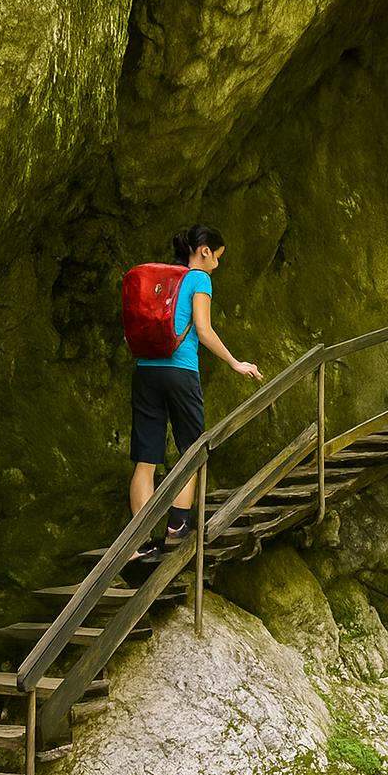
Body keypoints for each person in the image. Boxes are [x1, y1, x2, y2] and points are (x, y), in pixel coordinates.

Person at [130, 224, 262, 558]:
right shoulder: (199, 278)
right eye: (217, 257)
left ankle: (139, 544)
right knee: (192, 450)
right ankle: (176, 528)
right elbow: (203, 330)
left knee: (146, 460)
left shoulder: (165, 278)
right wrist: (235, 363)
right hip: (181, 371)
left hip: (146, 371)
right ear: (204, 251)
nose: (217, 264)